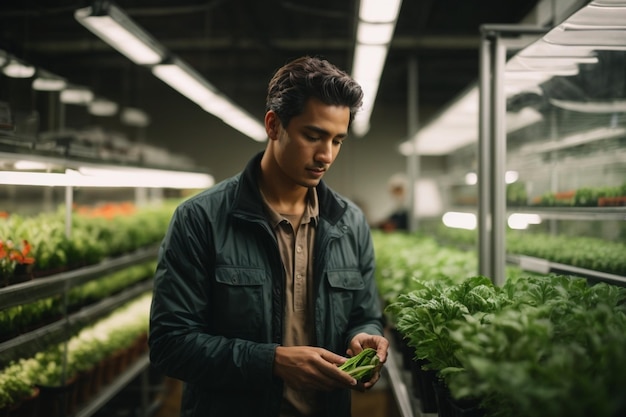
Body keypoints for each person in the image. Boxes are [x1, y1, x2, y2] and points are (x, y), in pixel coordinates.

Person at [148, 55, 389, 417]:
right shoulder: (200, 219)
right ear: (274, 125)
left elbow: (365, 314)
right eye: (313, 135)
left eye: (338, 140)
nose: (326, 155)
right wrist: (272, 362)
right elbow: (170, 344)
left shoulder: (349, 222)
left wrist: (364, 336)